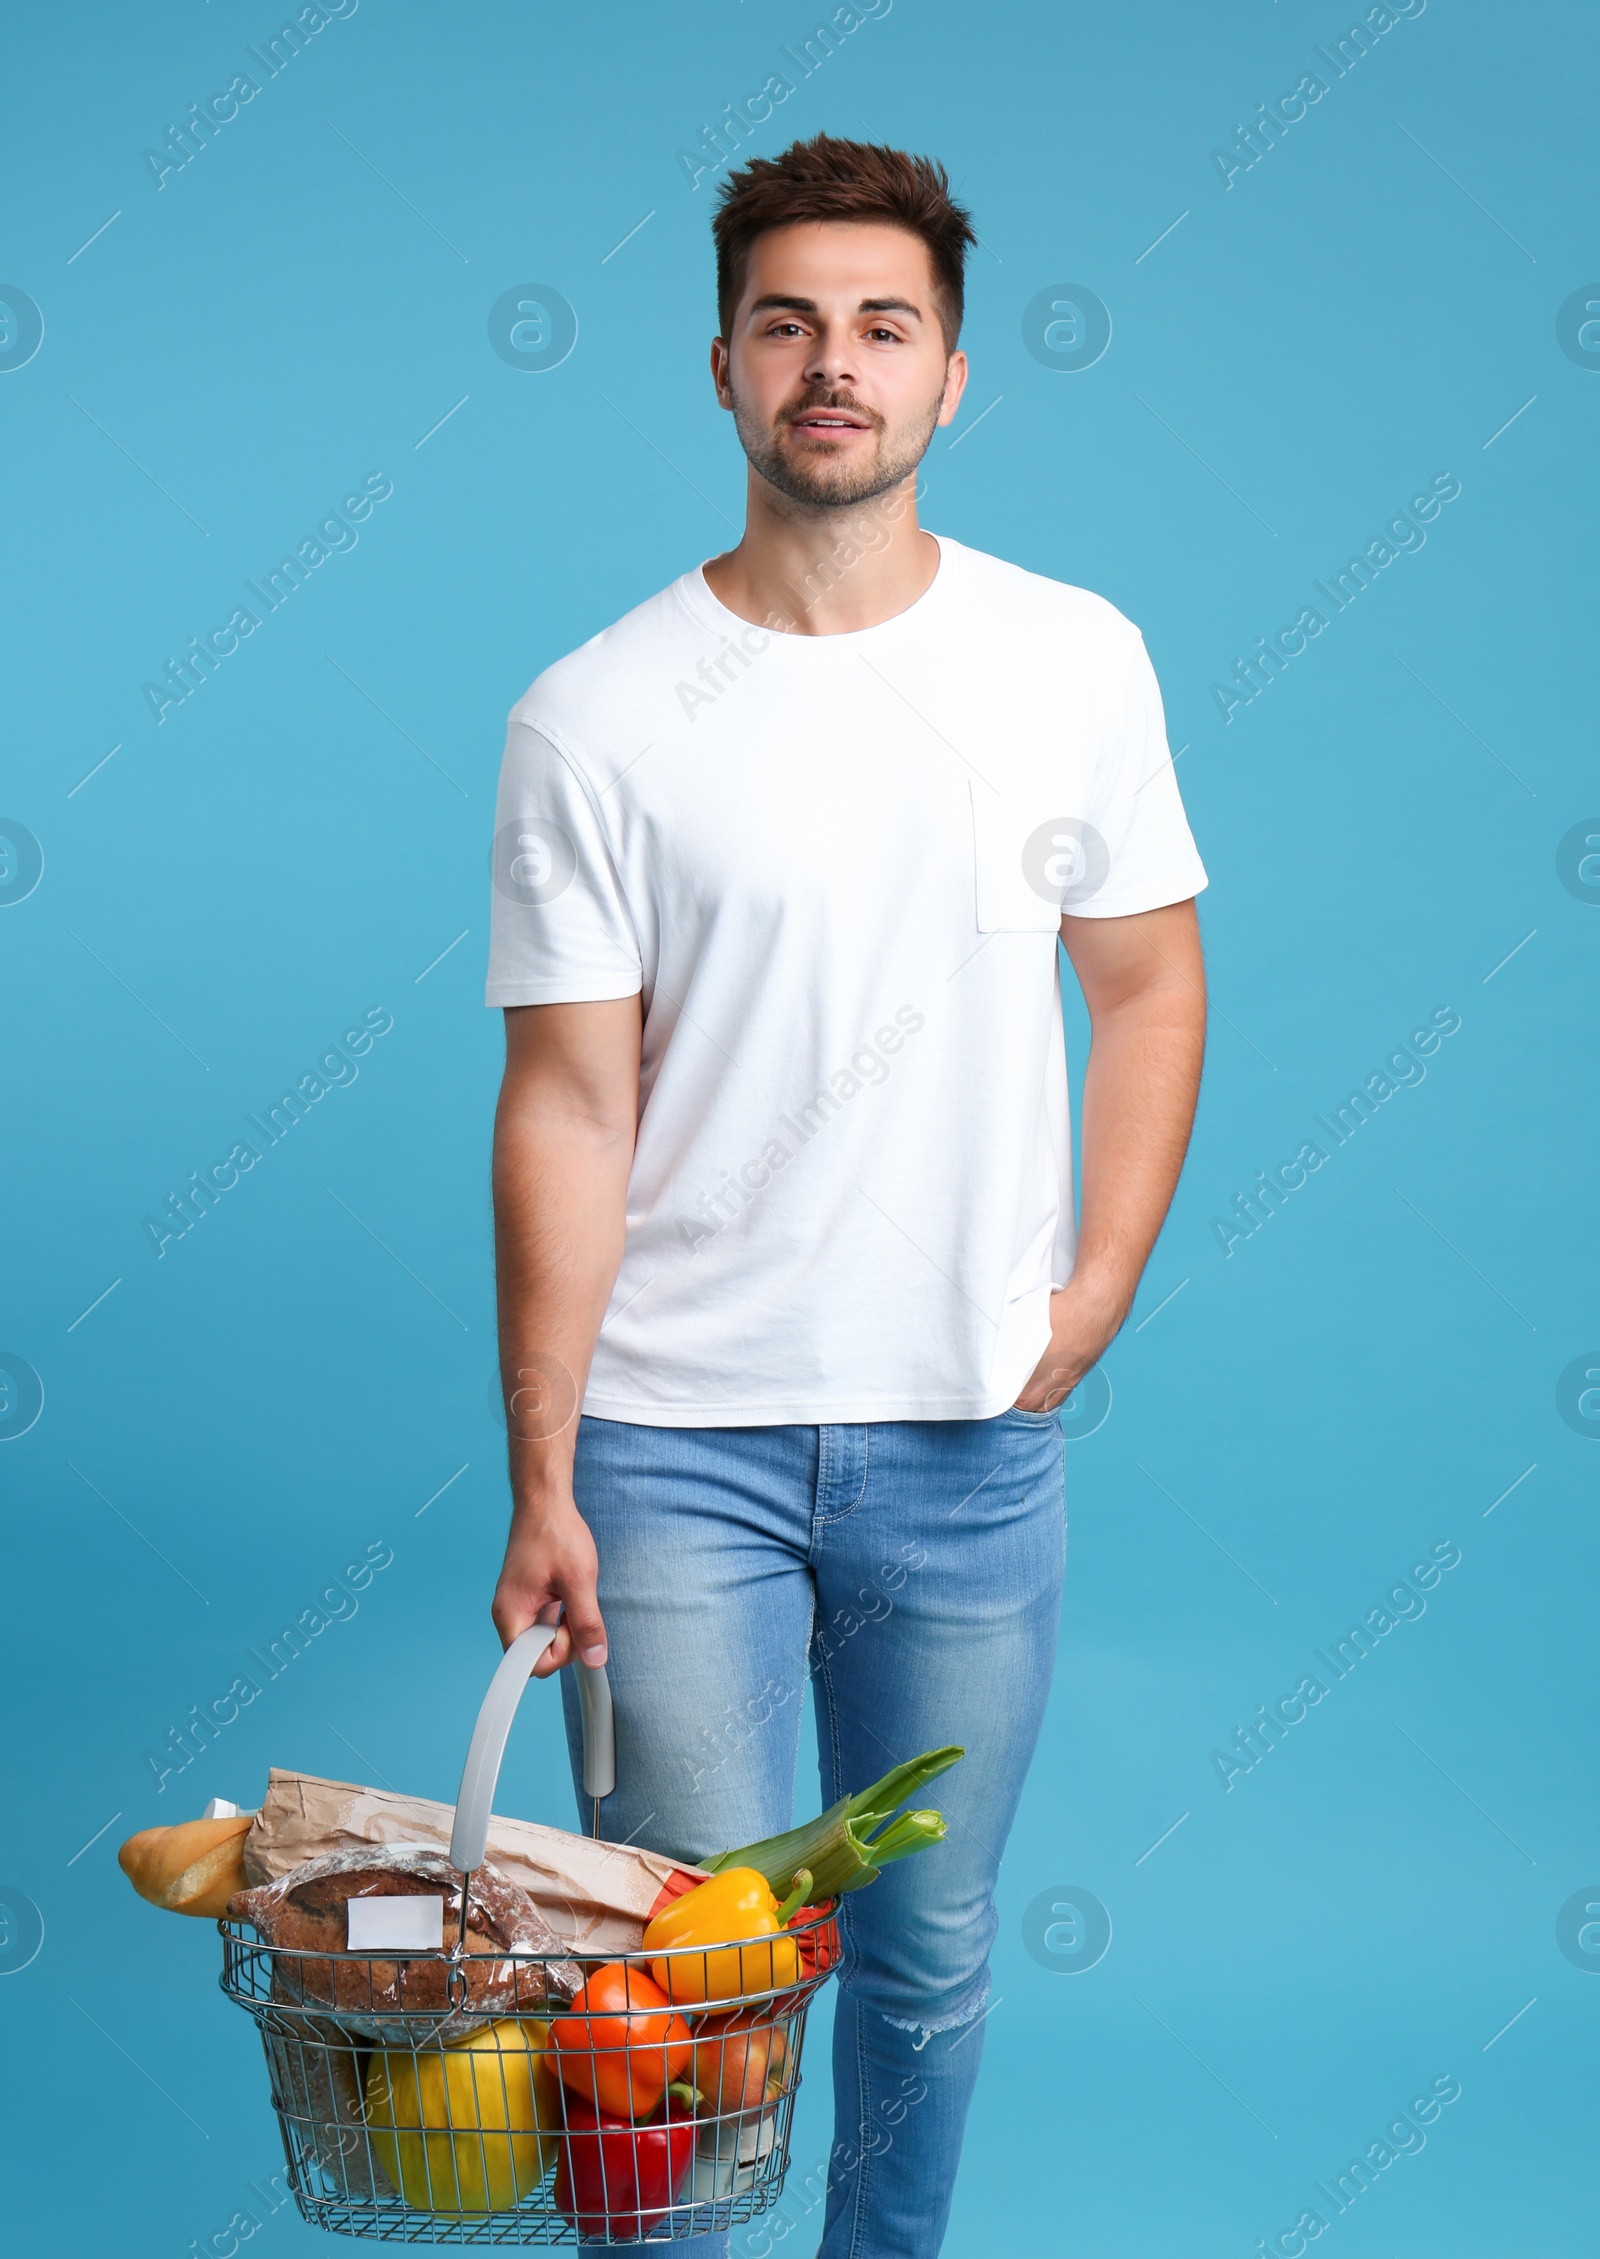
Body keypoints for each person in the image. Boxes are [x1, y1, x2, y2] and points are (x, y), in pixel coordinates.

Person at [485, 134, 1207, 2257]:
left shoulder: (1070, 661)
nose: (833, 364)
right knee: (679, 1988)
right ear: (720, 365)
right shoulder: (595, 715)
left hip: (966, 1443)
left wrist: (1092, 1286)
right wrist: (543, 1470)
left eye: (879, 324)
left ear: (948, 377)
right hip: (665, 1450)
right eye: (787, 322)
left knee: (921, 1958)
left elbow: (1150, 989)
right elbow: (561, 1107)